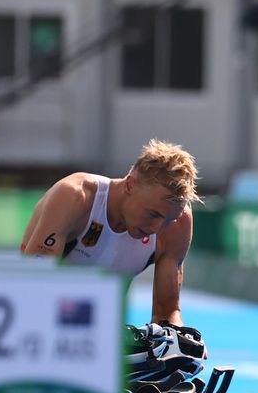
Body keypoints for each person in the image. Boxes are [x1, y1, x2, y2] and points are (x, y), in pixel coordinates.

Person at [20, 139, 200, 326]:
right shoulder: (74, 196)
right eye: (153, 214)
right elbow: (35, 288)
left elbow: (167, 311)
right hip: (40, 321)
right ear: (130, 184)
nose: (157, 229)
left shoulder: (178, 223)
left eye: (169, 220)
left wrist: (174, 336)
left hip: (102, 333)